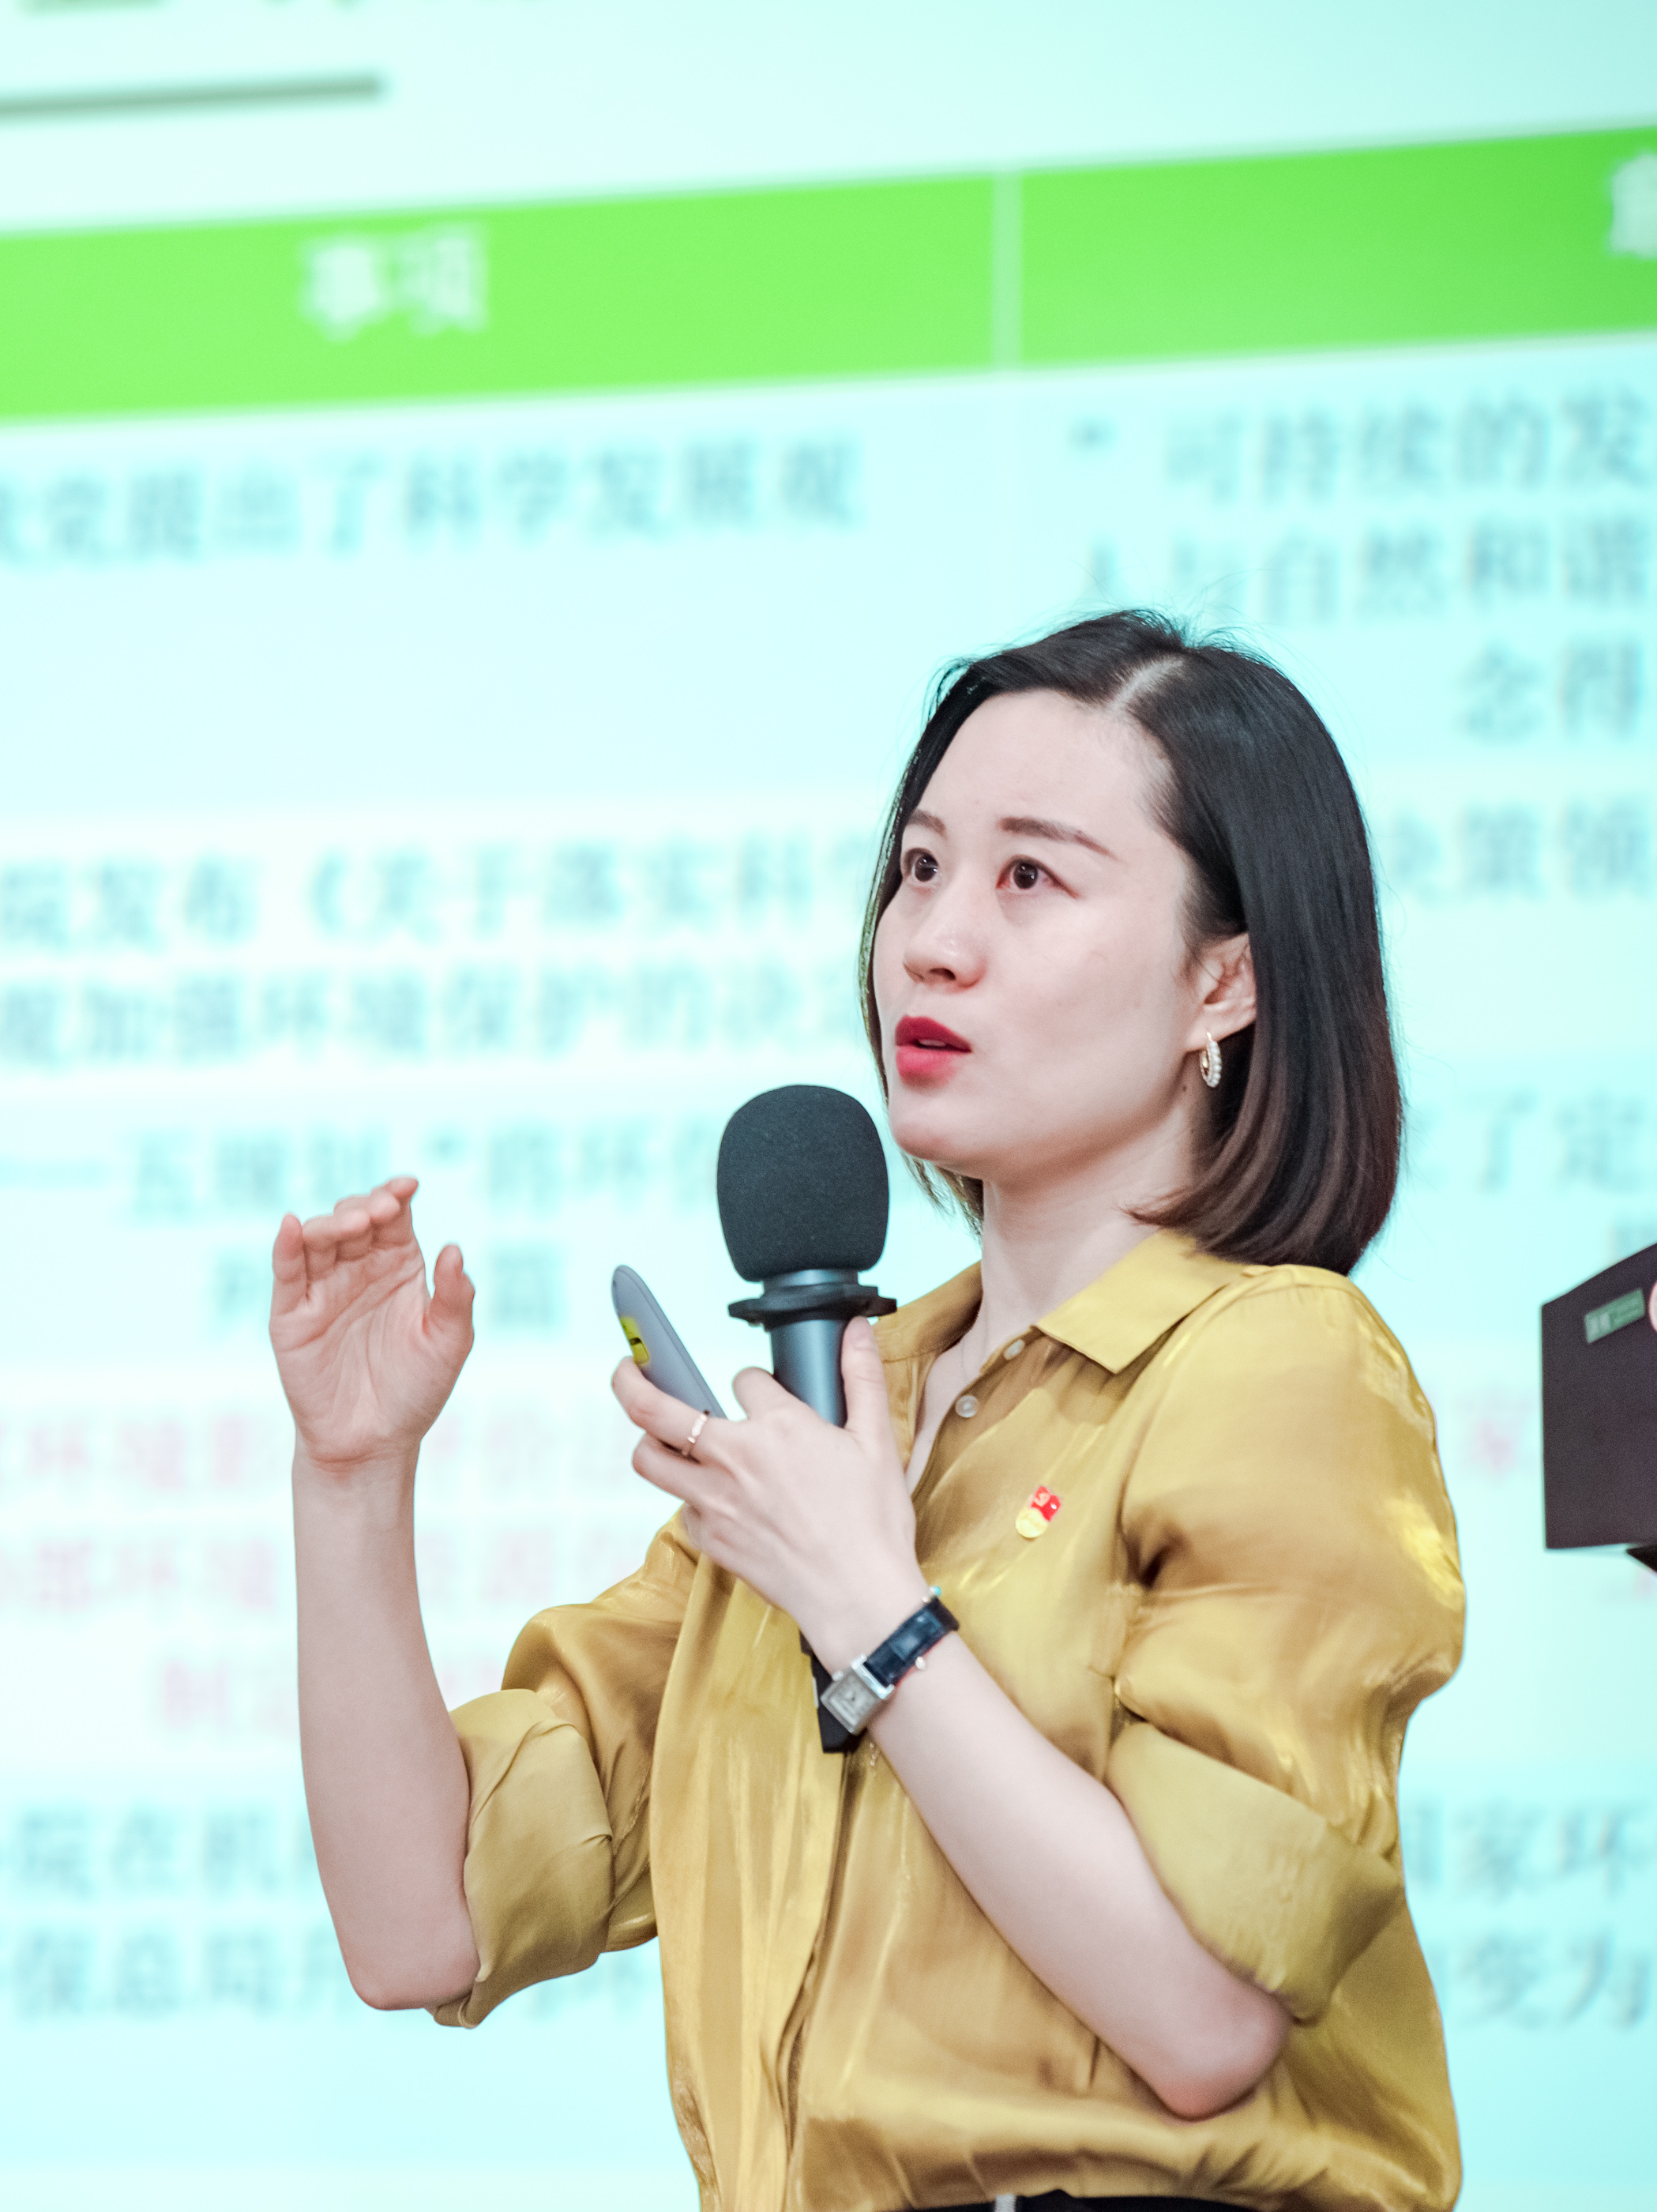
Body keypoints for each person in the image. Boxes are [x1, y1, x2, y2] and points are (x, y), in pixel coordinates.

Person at [267, 610, 1464, 2212]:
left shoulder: (1276, 1365)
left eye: (1028, 877)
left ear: (1222, 980)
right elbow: (422, 1922)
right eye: (919, 867)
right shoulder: (845, 1419)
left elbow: (1205, 2013)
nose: (932, 941)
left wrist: (867, 1605)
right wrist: (351, 1474)